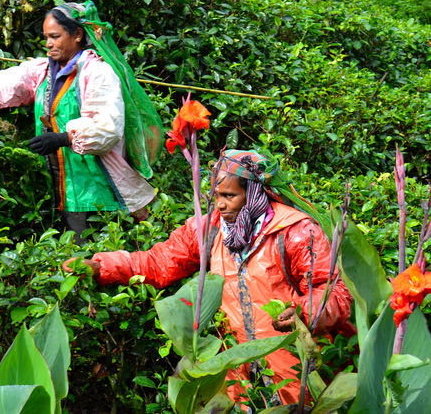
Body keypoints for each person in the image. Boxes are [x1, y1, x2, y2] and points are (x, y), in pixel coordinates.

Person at [64, 149, 354, 405]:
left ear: (253, 193)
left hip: (292, 364)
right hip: (234, 366)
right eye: (217, 195)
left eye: (230, 195)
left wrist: (304, 312)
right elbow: (159, 262)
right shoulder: (209, 228)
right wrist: (101, 267)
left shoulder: (296, 231)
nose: (221, 204)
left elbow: (334, 291)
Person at [0, 2, 156, 238]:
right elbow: (5, 85)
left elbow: (108, 127)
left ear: (77, 35)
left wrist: (64, 138)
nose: (48, 44)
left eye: (55, 36)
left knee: (93, 253)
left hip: (96, 184)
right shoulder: (45, 70)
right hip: (63, 183)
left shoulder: (97, 72)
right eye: (46, 37)